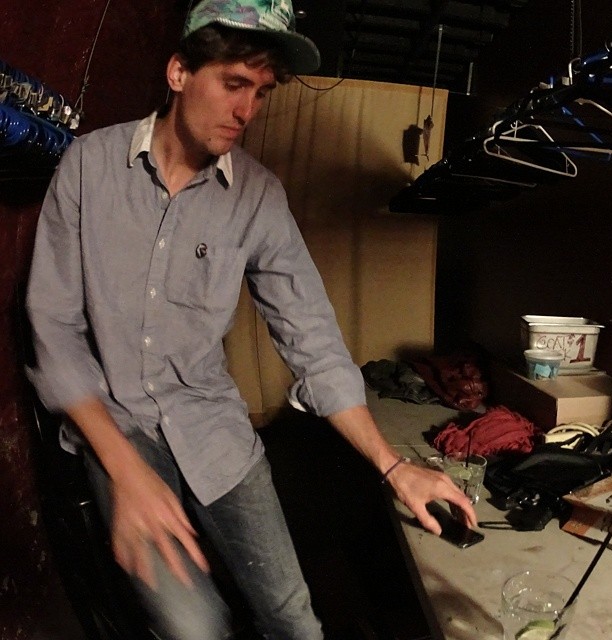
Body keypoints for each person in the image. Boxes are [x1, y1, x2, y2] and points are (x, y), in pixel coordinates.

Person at [26, 1, 477, 638]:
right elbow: (52, 327)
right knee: (195, 628)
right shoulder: (88, 167)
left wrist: (395, 467)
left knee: (295, 621)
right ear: (180, 72)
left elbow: (312, 338)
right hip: (117, 429)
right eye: (234, 84)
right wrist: (125, 473)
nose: (248, 111)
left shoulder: (259, 197)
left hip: (214, 431)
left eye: (261, 92)